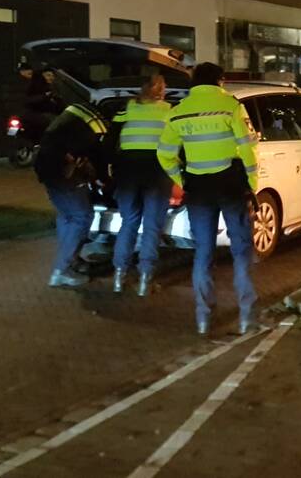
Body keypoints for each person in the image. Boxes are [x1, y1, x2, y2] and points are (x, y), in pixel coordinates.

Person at [157, 62, 258, 335]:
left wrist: (182, 179)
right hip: (230, 186)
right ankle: (247, 315)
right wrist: (253, 183)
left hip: (198, 189)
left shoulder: (177, 113)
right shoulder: (231, 106)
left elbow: (164, 154)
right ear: (220, 81)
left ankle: (203, 317)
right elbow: (247, 150)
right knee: (241, 249)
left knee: (203, 252)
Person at [107, 75, 175, 297]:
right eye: (163, 87)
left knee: (128, 222)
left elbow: (109, 140)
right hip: (157, 172)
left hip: (128, 173)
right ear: (159, 90)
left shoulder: (126, 109)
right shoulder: (168, 110)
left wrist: (110, 170)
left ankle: (119, 276)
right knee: (152, 227)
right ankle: (145, 279)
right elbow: (177, 143)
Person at [34, 102, 109, 288]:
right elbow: (98, 153)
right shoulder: (97, 124)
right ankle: (62, 269)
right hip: (64, 171)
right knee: (82, 216)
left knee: (67, 216)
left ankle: (71, 260)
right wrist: (102, 179)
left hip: (45, 168)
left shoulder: (74, 113)